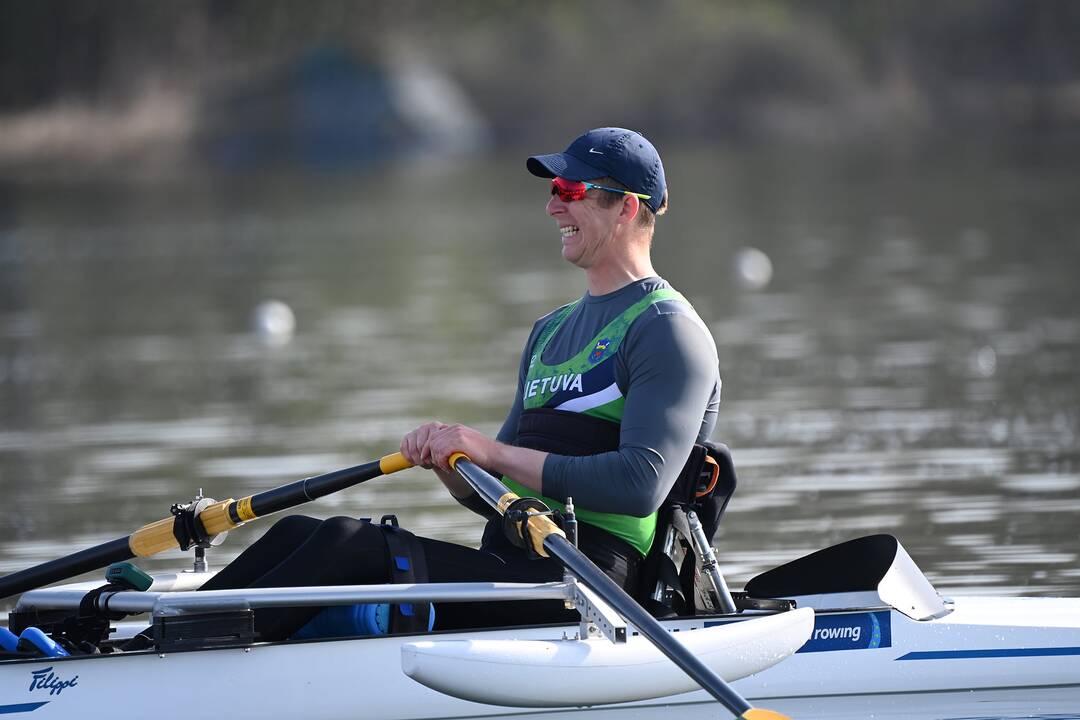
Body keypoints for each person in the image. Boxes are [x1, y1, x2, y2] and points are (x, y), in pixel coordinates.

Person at [195, 127, 721, 640]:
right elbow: (499, 490)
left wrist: (489, 452)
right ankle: (161, 642)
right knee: (297, 532)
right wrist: (454, 466)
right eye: (553, 191)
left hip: (588, 586)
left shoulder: (666, 330)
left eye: (572, 191)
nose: (553, 207)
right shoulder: (550, 331)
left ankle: (173, 657)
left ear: (627, 207)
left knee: (345, 544)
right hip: (512, 560)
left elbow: (639, 486)